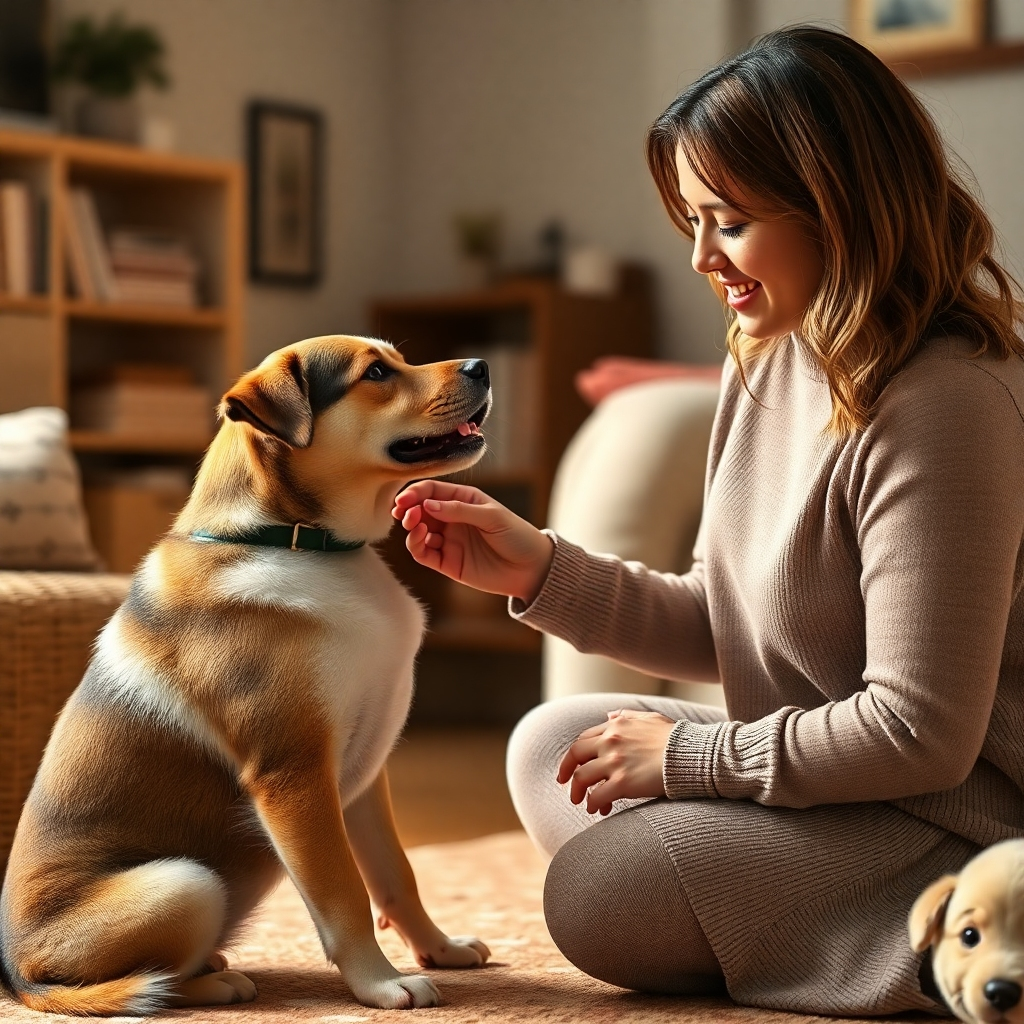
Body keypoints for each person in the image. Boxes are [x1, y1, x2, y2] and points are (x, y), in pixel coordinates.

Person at [392, 25, 1024, 1017]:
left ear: (838, 209)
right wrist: (539, 571)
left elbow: (922, 734)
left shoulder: (946, 403)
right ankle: (781, 917)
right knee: (551, 741)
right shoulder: (765, 352)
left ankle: (970, 935)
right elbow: (727, 615)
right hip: (841, 781)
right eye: (691, 219)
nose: (698, 256)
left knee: (596, 891)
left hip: (952, 813)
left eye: (726, 221)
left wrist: (690, 761)